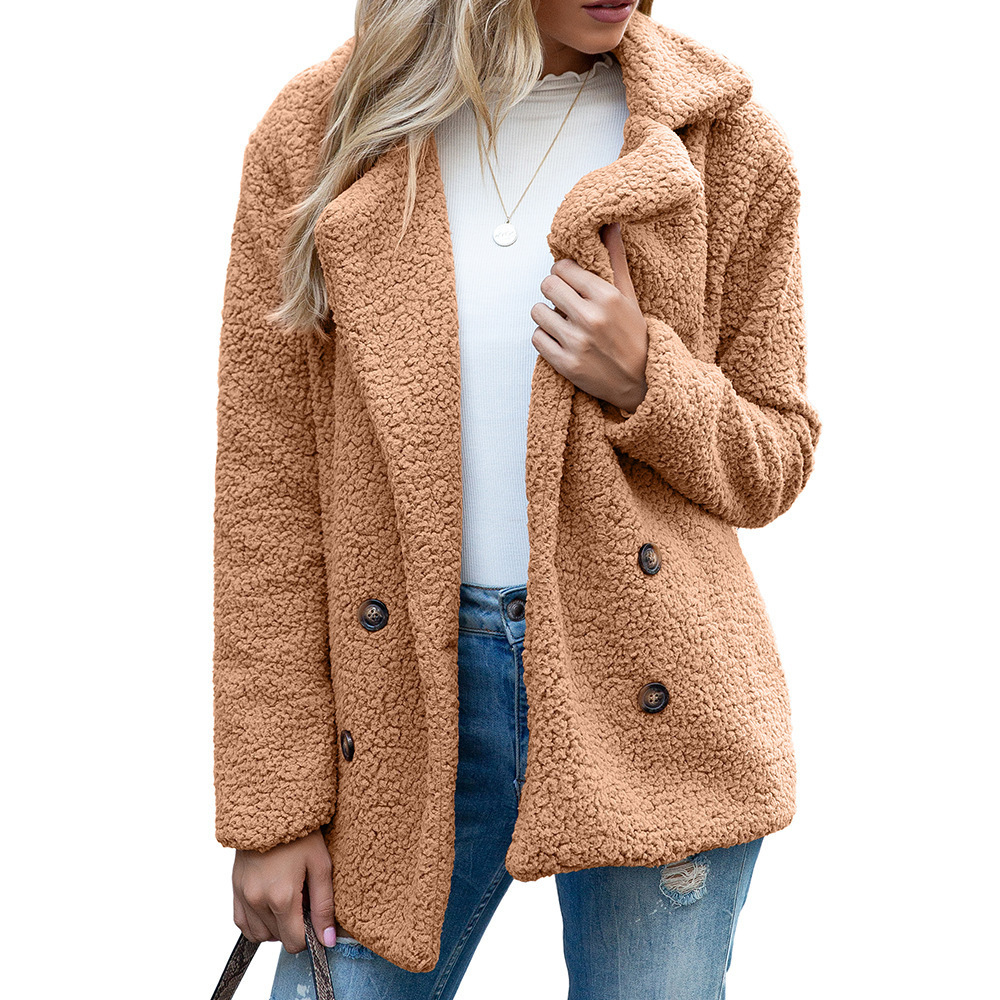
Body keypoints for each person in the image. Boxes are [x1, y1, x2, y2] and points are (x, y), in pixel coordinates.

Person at [212, 1, 822, 997]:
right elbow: (267, 499)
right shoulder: (325, 132)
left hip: (657, 699)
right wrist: (273, 809)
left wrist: (648, 379)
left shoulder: (722, 139)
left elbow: (778, 454)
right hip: (399, 701)